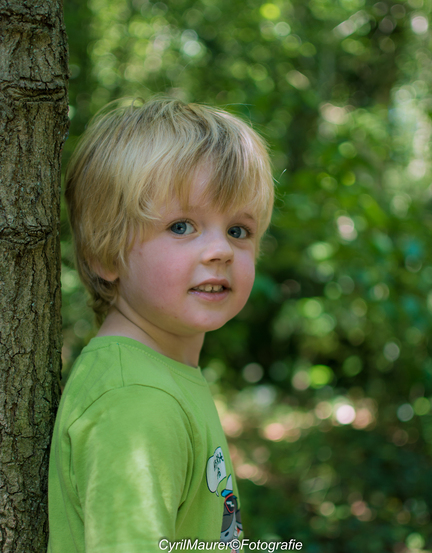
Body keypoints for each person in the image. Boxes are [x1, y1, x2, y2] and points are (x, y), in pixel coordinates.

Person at [48, 97, 274, 553]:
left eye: (238, 230)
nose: (221, 251)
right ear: (105, 254)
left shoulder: (156, 375)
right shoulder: (135, 402)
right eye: (182, 227)